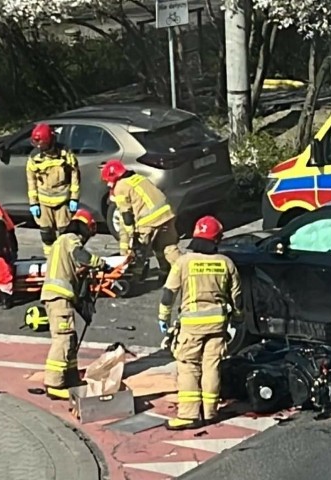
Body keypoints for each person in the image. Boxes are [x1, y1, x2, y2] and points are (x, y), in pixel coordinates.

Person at [157, 215, 242, 430]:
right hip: (218, 325)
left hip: (191, 326)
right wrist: (238, 318)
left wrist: (163, 319)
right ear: (216, 239)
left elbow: (169, 293)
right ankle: (210, 411)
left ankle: (188, 415)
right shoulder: (226, 263)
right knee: (212, 366)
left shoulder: (184, 262)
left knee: (188, 367)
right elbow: (237, 297)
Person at [40, 208, 110, 400]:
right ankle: (54, 384)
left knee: (70, 337)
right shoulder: (70, 238)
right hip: (59, 296)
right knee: (63, 338)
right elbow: (81, 255)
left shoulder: (59, 243)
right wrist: (99, 263)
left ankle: (70, 376)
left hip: (58, 297)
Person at [101, 159, 181, 281]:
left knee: (140, 250)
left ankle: (136, 277)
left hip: (148, 220)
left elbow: (126, 215)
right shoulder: (138, 177)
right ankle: (179, 271)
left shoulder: (120, 187)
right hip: (166, 214)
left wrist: (131, 235)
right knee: (167, 247)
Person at [26, 123, 81, 256]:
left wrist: (74, 197)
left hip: (62, 202)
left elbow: (75, 175)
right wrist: (33, 203)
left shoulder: (64, 154)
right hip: (44, 203)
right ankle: (50, 260)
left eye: (42, 145)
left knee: (65, 233)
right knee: (46, 233)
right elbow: (31, 180)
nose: (40, 148)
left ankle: (66, 258)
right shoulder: (35, 157)